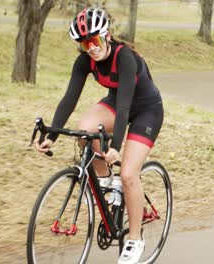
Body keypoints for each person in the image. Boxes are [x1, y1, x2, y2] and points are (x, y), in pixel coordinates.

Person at [33, 7, 164, 264]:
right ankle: (107, 182)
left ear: (107, 34)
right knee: (85, 129)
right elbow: (69, 98)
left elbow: (126, 107)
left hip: (146, 110)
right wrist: (53, 135)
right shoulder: (85, 61)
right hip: (117, 104)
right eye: (83, 44)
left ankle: (135, 240)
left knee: (128, 174)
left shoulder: (124, 57)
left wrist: (116, 146)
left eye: (94, 41)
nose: (90, 48)